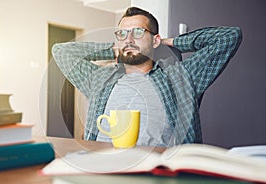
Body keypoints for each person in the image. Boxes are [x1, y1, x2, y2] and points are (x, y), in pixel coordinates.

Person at [52, 7, 242, 147]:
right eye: (122, 34)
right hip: (102, 168)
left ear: (155, 39)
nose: (129, 39)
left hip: (158, 174)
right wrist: (113, 50)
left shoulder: (180, 77)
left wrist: (170, 42)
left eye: (138, 32)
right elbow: (61, 51)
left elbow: (228, 37)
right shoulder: (99, 79)